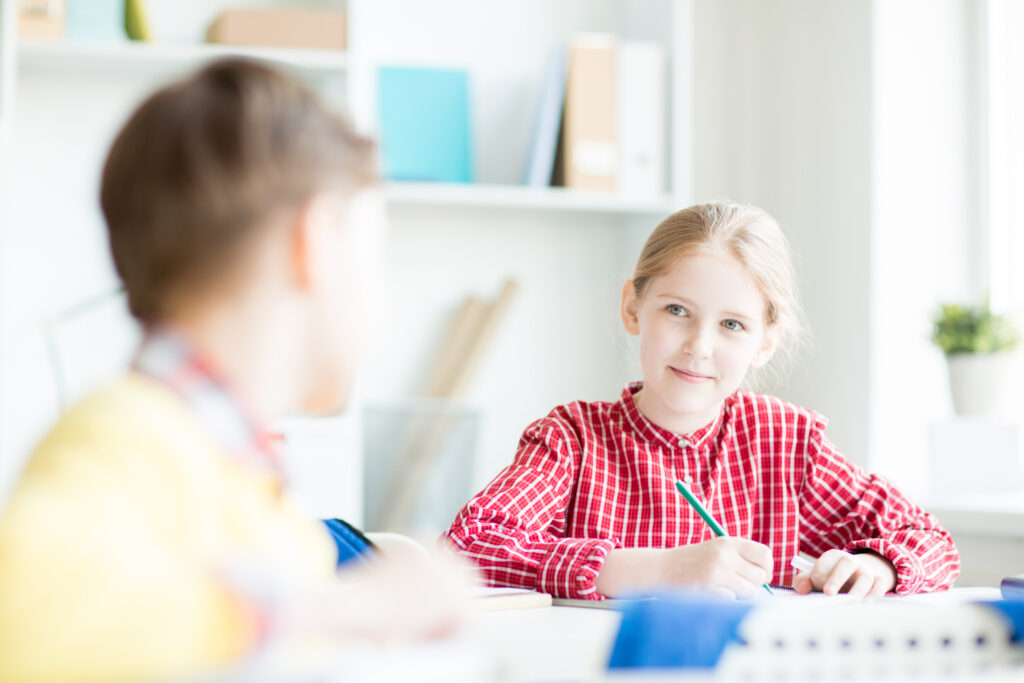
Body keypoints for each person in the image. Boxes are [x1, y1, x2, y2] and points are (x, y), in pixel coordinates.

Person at [0, 58, 468, 682]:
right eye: (375, 259)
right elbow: (26, 616)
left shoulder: (246, 486)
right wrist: (352, 607)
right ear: (318, 241)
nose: (379, 301)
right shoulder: (129, 432)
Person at [445, 202, 960, 601]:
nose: (699, 346)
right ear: (632, 308)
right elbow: (470, 546)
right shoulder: (572, 440)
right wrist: (657, 570)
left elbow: (930, 540)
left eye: (732, 324)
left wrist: (878, 566)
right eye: (677, 310)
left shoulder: (787, 445)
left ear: (765, 341)